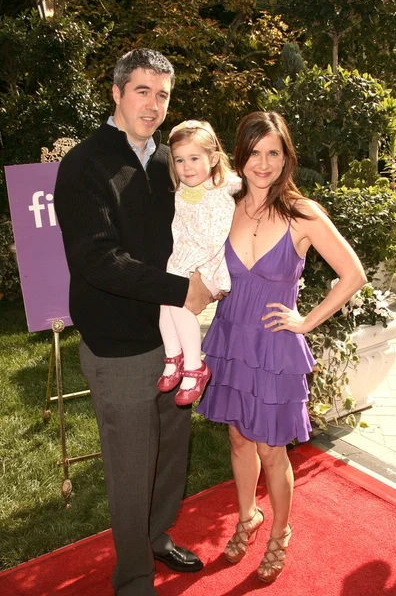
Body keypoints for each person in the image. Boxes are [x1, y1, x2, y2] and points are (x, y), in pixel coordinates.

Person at [54, 48, 213, 596]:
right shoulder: (84, 165)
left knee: (171, 452)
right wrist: (181, 291)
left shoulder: (171, 165)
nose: (153, 105)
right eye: (142, 91)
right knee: (130, 469)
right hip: (119, 343)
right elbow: (97, 259)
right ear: (117, 93)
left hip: (171, 337)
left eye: (163, 94)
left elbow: (196, 231)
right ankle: (133, 580)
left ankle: (156, 535)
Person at [197, 111, 367, 583]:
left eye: (274, 152)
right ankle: (247, 516)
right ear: (241, 155)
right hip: (231, 340)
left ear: (286, 157)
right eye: (255, 152)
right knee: (237, 438)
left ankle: (279, 533)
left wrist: (305, 321)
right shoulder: (224, 208)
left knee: (272, 450)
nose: (263, 163)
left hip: (273, 349)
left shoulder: (303, 214)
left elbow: (352, 275)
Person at [157, 120, 241, 406]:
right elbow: (180, 230)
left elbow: (215, 236)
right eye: (180, 160)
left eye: (194, 158)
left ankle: (196, 367)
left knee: (179, 306)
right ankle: (174, 358)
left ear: (213, 158)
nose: (187, 166)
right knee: (164, 304)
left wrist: (191, 267)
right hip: (184, 262)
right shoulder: (183, 190)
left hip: (210, 263)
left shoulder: (218, 193)